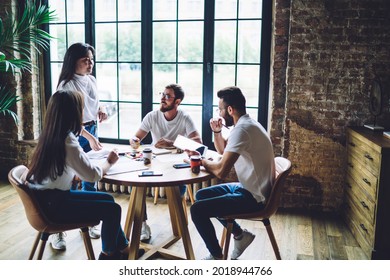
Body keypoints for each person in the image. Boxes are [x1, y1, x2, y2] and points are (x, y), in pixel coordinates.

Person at [24, 90, 138, 260]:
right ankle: (109, 255)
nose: (83, 112)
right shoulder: (68, 141)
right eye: (81, 108)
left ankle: (122, 247)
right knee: (113, 209)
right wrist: (110, 161)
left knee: (108, 200)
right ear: (73, 112)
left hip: (45, 199)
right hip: (53, 208)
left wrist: (74, 173)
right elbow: (93, 176)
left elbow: (61, 168)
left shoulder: (50, 134)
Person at [188, 86, 275, 260]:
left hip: (255, 198)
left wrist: (200, 161)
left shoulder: (242, 130)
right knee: (201, 195)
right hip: (250, 188)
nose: (218, 113)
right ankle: (240, 235)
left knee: (197, 210)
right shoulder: (245, 124)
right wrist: (217, 132)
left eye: (220, 109)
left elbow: (221, 171)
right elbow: (223, 151)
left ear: (230, 109)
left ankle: (216, 255)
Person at [129, 83, 202, 241]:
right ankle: (143, 225)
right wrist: (134, 140)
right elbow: (137, 137)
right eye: (162, 94)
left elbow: (197, 141)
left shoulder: (184, 117)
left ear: (178, 102)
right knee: (138, 186)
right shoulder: (152, 116)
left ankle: (178, 224)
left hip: (177, 165)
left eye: (168, 96)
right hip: (155, 162)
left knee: (177, 188)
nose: (163, 98)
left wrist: (172, 142)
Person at [54, 42, 106, 247]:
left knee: (89, 179)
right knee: (70, 180)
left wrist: (101, 109)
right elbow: (68, 121)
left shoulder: (90, 79)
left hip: (91, 129)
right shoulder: (66, 85)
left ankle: (90, 220)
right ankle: (59, 229)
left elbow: (93, 102)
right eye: (85, 59)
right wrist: (89, 137)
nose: (90, 63)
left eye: (91, 59)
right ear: (73, 61)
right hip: (76, 132)